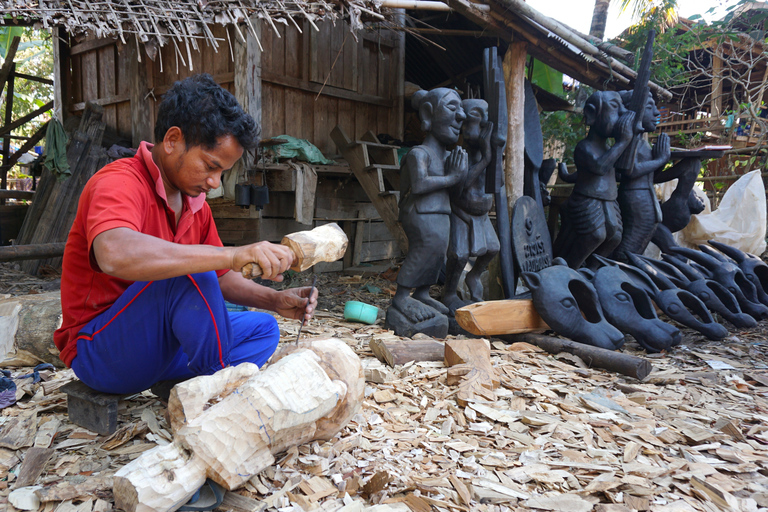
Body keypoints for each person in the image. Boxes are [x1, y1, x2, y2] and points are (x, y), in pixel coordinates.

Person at [53, 74, 318, 395]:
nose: (215, 182)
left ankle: (183, 383)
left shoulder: (196, 205)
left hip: (160, 350)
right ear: (173, 140)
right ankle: (217, 392)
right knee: (189, 274)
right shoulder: (118, 182)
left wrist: (274, 300)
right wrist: (232, 254)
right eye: (210, 166)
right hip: (102, 351)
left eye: (222, 172)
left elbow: (220, 278)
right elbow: (114, 252)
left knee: (263, 330)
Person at [387, 88, 467, 332]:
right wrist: (453, 177)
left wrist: (461, 176)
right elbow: (420, 184)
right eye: (452, 108)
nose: (461, 116)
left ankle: (422, 293)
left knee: (437, 254)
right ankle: (401, 296)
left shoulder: (448, 156)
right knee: (424, 251)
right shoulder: (418, 153)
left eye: (461, 110)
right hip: (421, 213)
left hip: (441, 213)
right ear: (429, 113)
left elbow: (456, 190)